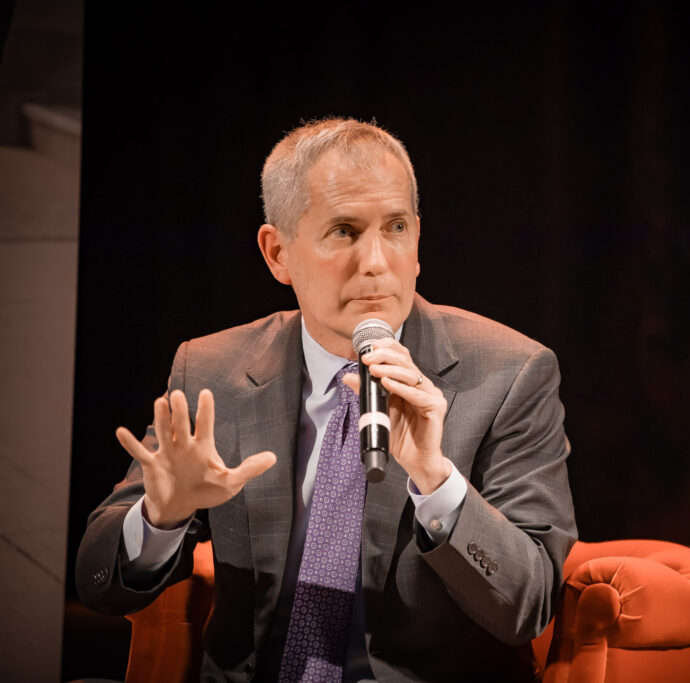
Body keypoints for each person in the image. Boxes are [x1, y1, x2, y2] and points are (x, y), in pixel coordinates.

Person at [76, 118, 577, 682]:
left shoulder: (510, 372)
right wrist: (162, 517)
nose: (375, 262)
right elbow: (98, 583)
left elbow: (530, 607)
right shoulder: (212, 369)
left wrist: (438, 481)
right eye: (343, 230)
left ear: (417, 243)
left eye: (395, 227)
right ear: (277, 253)